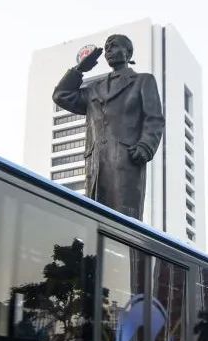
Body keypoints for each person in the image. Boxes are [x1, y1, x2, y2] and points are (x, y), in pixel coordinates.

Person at [53, 34, 165, 220]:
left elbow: (154, 119)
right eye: (106, 48)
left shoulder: (143, 81)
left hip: (126, 160)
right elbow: (61, 95)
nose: (108, 51)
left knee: (124, 222)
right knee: (95, 222)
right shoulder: (94, 89)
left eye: (114, 46)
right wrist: (79, 70)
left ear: (128, 52)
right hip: (96, 165)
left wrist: (146, 145)